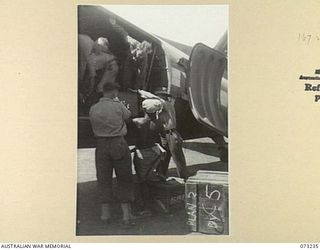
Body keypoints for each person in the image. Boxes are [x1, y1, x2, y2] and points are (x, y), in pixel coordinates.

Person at [89, 81, 135, 227]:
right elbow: (128, 116)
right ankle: (126, 216)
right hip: (118, 143)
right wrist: (118, 102)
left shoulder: (94, 108)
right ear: (114, 92)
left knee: (103, 178)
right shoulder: (117, 105)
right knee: (124, 178)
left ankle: (105, 215)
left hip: (101, 145)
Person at [138, 88, 190, 180]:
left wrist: (141, 92)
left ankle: (184, 177)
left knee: (177, 157)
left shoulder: (167, 104)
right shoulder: (164, 107)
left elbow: (153, 99)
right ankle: (161, 174)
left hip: (171, 134)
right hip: (165, 134)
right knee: (164, 155)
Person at [132, 99, 165, 215]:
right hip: (154, 152)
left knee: (142, 180)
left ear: (143, 109)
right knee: (150, 178)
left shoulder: (138, 122)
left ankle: (145, 206)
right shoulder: (159, 123)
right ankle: (153, 202)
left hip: (142, 152)